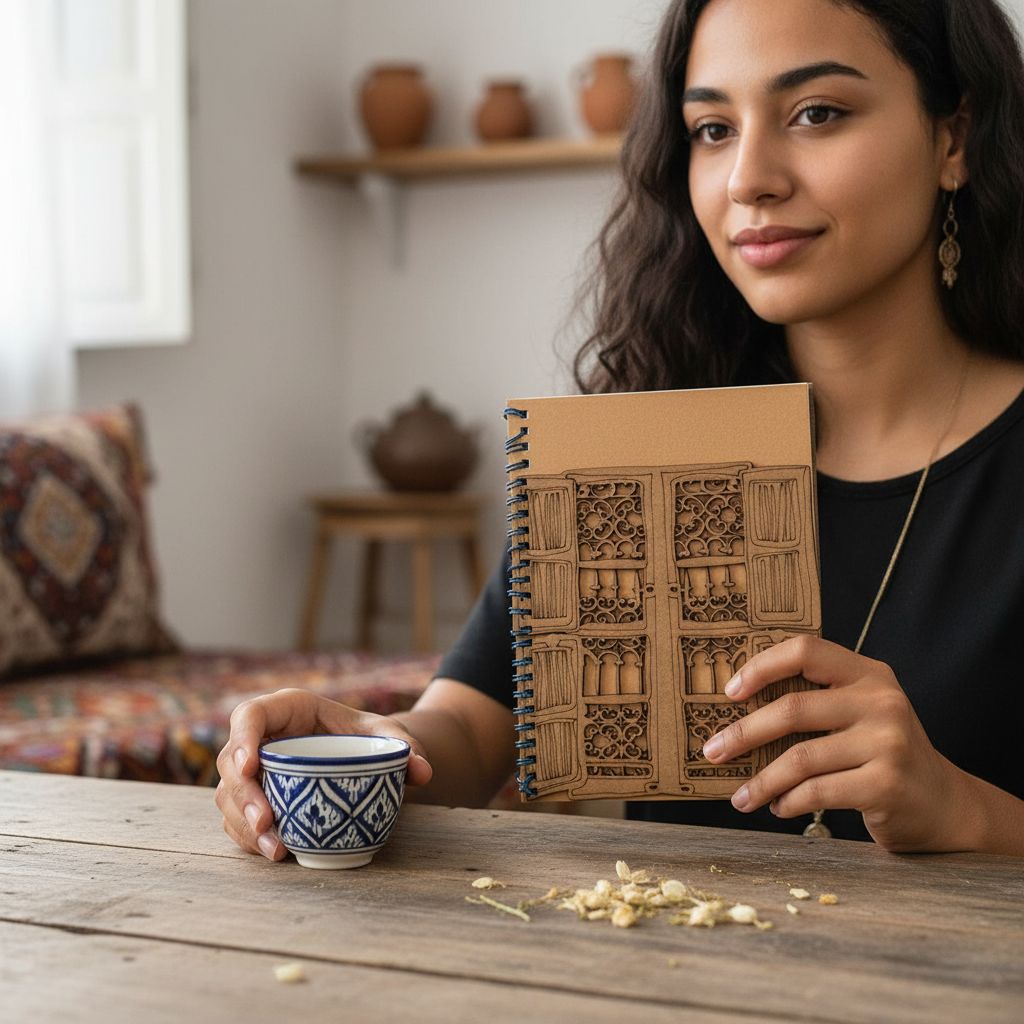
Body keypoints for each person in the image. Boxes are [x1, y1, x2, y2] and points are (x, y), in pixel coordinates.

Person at [217, 0, 1024, 859]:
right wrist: (361, 746)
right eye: (712, 128)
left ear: (954, 138)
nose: (749, 177)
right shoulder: (636, 450)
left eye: (816, 114)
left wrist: (964, 811)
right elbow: (468, 728)